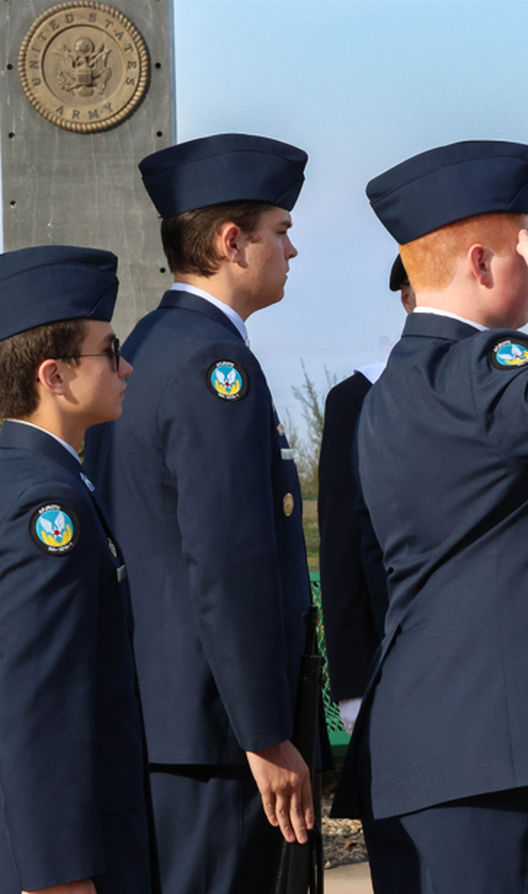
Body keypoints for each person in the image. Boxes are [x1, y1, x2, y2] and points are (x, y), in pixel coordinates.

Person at [331, 140, 528, 894]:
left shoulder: (390, 391)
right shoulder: (482, 370)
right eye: (524, 250)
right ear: (480, 263)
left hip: (428, 744)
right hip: (503, 754)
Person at [85, 133, 315, 894]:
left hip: (168, 723)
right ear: (230, 242)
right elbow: (226, 559)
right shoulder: (214, 366)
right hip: (214, 737)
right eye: (279, 232)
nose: (291, 250)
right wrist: (264, 731)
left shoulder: (149, 347)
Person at [0, 245, 151, 894]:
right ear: (54, 376)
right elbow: (39, 701)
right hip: (68, 860)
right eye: (109, 348)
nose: (127, 365)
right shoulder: (47, 502)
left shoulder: (38, 479)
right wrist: (58, 874)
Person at [318, 255, 414, 734]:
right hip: (390, 660)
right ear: (407, 297)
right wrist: (353, 682)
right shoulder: (359, 397)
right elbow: (342, 545)